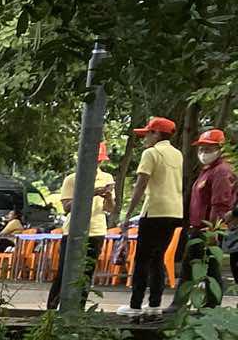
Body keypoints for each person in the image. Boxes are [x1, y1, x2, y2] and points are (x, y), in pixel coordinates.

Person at [125, 116, 185, 320]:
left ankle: (135, 305)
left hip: (154, 211)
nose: (144, 139)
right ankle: (154, 305)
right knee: (158, 258)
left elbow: (141, 185)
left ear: (156, 134)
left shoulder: (150, 153)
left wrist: (128, 213)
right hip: (174, 212)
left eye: (147, 134)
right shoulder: (177, 155)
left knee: (142, 258)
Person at [49, 147, 116, 311]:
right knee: (65, 271)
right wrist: (91, 193)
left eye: (99, 160)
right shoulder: (72, 179)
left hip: (96, 230)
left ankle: (79, 309)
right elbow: (67, 207)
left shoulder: (106, 178)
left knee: (87, 272)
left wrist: (108, 197)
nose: (96, 163)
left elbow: (110, 208)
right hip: (73, 230)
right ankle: (52, 308)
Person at [183, 129, 234, 306]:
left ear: (220, 148)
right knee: (202, 268)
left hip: (208, 229)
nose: (203, 152)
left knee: (204, 268)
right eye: (201, 148)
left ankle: (209, 306)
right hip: (199, 227)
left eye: (208, 148)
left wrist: (212, 231)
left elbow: (220, 204)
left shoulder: (221, 171)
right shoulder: (207, 170)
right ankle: (208, 305)